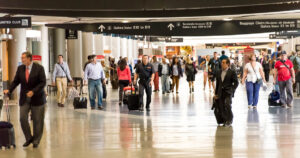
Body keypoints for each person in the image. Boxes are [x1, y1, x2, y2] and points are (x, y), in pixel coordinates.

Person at [4, 52, 46, 148]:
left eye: (23, 58)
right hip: (24, 98)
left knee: (37, 120)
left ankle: (36, 140)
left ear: (29, 58)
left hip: (37, 98)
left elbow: (42, 82)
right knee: (22, 118)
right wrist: (9, 89)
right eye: (21, 58)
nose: (22, 60)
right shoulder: (20, 68)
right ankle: (28, 138)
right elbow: (16, 81)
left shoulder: (39, 68)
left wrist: (33, 91)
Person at [214, 58, 239, 127]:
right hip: (220, 92)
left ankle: (229, 120)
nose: (222, 64)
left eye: (224, 62)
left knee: (227, 104)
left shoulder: (232, 72)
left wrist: (232, 90)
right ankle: (225, 120)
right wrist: (216, 94)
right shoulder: (218, 72)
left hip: (228, 92)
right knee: (221, 106)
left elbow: (236, 83)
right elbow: (218, 84)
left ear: (228, 64)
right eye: (222, 62)